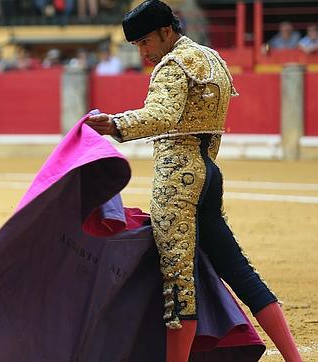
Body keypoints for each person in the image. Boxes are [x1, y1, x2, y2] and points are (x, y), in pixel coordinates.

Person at [85, 1, 302, 361]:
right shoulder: (211, 58)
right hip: (209, 173)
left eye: (144, 42)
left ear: (166, 32)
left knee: (178, 284)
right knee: (240, 272)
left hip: (178, 179)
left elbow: (163, 115)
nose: (143, 51)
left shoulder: (171, 65)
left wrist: (115, 125)